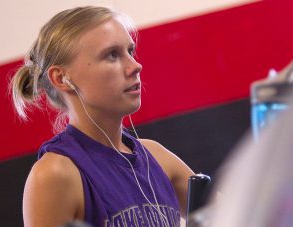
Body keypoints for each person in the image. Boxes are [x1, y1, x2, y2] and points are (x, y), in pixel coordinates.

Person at [11, 6, 194, 226]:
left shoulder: (157, 157)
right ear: (61, 78)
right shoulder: (55, 174)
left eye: (131, 51)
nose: (135, 66)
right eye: (112, 55)